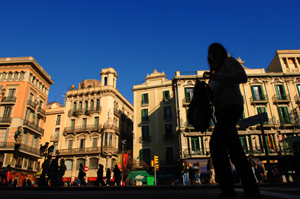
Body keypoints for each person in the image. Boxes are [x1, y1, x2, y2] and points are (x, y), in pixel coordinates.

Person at [203, 43, 261, 199]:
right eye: (210, 50)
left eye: (216, 48)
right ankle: (251, 190)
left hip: (232, 108)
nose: (213, 51)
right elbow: (215, 97)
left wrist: (216, 77)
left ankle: (228, 190)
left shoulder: (229, 63)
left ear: (222, 51)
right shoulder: (213, 74)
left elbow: (242, 77)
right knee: (236, 153)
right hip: (221, 113)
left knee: (215, 144)